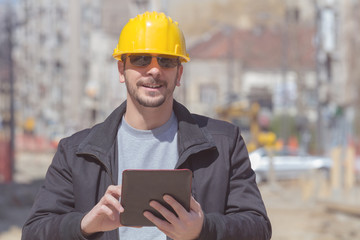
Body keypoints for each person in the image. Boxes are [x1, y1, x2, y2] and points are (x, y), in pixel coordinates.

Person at [22, 11, 271, 240]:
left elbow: (258, 228)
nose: (154, 70)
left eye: (166, 61)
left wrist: (203, 229)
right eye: (141, 59)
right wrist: (85, 225)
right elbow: (34, 232)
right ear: (122, 69)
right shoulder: (76, 153)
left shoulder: (224, 145)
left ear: (179, 73)